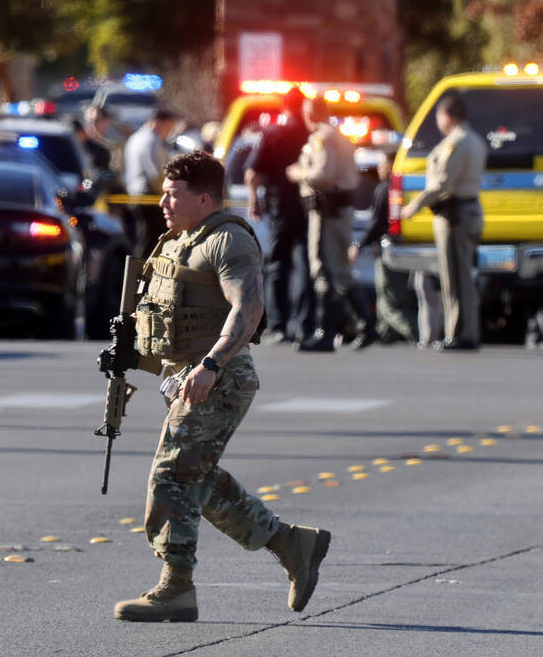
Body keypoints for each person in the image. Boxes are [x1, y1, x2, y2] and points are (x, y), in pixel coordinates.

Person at [114, 151, 331, 623]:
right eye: (164, 192)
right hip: (184, 376)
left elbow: (247, 309)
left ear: (206, 197)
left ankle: (176, 588)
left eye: (174, 195)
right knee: (199, 479)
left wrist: (212, 363)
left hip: (220, 377)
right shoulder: (177, 240)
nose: (163, 202)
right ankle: (292, 544)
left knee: (172, 475)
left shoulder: (228, 241)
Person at [286, 96, 376, 352]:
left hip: (327, 211)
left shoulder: (322, 138)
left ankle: (328, 332)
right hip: (336, 210)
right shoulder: (337, 136)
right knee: (336, 269)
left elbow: (323, 174)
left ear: (311, 114)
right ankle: (363, 325)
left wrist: (298, 173)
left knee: (324, 268)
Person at [400, 93, 486, 351]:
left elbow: (442, 182)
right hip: (467, 211)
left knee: (454, 278)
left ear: (447, 117)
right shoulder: (475, 140)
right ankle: (466, 331)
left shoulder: (456, 143)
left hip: (455, 215)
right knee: (463, 276)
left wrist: (414, 205)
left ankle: (458, 334)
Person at [244, 87, 315, 344]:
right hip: (310, 206)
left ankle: (279, 324)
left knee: (277, 265)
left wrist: (254, 201)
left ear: (283, 105)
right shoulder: (312, 134)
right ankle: (306, 323)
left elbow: (252, 173)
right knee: (307, 265)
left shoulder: (272, 133)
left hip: (280, 207)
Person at [351, 150, 418, 345]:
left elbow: (376, 225)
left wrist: (357, 245)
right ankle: (384, 334)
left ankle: (417, 334)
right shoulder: (403, 187)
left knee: (390, 302)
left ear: (390, 165)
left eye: (382, 164)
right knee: (387, 297)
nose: (379, 169)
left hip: (385, 251)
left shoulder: (384, 189)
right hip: (402, 248)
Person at [123, 108, 176, 258]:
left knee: (143, 238)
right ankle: (139, 275)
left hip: (135, 193)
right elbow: (157, 174)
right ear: (160, 122)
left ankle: (136, 274)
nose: (169, 131)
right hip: (149, 196)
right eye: (169, 127)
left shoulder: (136, 137)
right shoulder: (151, 140)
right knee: (151, 241)